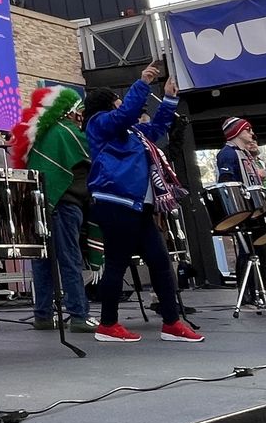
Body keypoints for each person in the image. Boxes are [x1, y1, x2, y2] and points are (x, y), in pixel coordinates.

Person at [83, 62, 203, 343]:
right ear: (109, 104)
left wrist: (170, 97)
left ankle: (172, 323)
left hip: (139, 205)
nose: (125, 104)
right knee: (117, 262)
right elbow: (124, 115)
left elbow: (158, 128)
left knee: (160, 261)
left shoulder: (132, 133)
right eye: (120, 101)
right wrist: (143, 83)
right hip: (115, 201)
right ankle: (108, 324)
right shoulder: (99, 124)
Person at [12, 86, 96, 331]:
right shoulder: (68, 133)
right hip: (65, 203)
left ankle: (43, 314)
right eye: (78, 110)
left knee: (42, 261)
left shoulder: (40, 136)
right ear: (69, 111)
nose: (80, 115)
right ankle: (79, 315)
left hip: (39, 205)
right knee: (69, 258)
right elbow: (91, 161)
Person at [216, 117, 266, 296]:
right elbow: (226, 181)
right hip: (243, 209)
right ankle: (247, 294)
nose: (252, 134)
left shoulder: (246, 154)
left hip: (257, 208)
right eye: (248, 130)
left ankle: (263, 290)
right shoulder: (228, 153)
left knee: (260, 249)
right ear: (237, 132)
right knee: (247, 252)